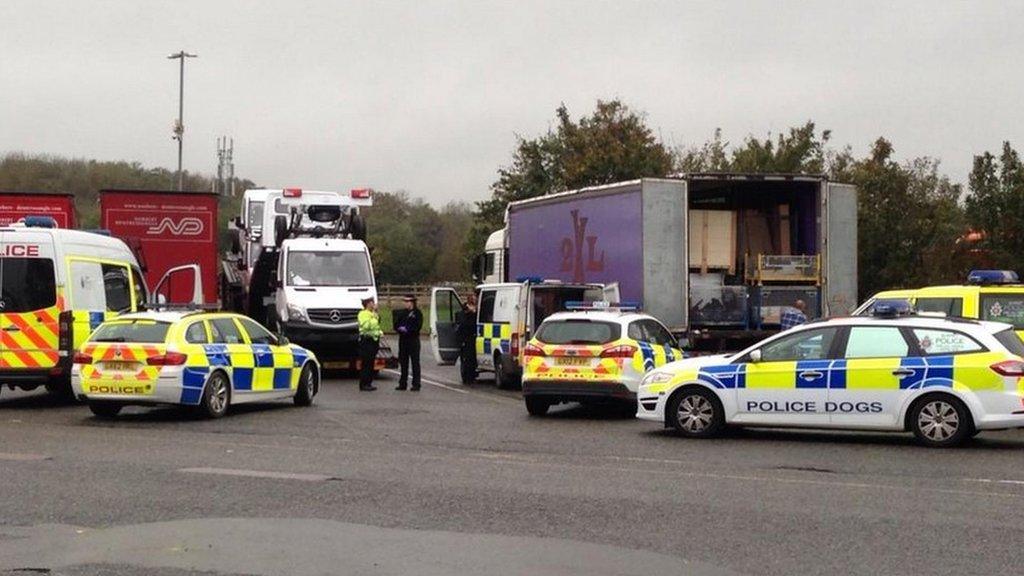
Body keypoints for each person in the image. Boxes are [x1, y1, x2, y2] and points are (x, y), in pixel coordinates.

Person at [394, 295, 422, 391]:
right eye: (405, 301)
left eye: (407, 301)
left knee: (415, 363)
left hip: (413, 340)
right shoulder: (402, 313)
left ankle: (416, 384)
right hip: (403, 340)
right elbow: (396, 324)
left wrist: (408, 329)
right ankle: (403, 383)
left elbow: (418, 326)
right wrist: (400, 329)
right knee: (403, 362)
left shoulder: (417, 313)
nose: (405, 303)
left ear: (412, 302)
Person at [357, 297, 382, 391]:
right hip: (366, 340)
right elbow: (367, 326)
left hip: (374, 340)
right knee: (366, 363)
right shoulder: (363, 314)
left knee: (371, 363)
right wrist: (374, 318)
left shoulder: (373, 314)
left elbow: (377, 325)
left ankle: (369, 383)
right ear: (367, 304)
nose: (374, 304)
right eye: (372, 303)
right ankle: (364, 384)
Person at [455, 293, 478, 384]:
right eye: (473, 299)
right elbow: (464, 325)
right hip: (466, 338)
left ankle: (472, 375)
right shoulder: (463, 313)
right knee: (467, 359)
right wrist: (471, 313)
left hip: (474, 337)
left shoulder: (476, 311)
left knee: (473, 359)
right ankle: (467, 378)